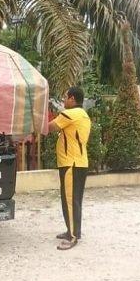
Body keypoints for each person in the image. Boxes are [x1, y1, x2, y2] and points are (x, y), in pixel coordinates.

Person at [48, 87, 91, 250]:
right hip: (79, 163)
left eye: (65, 97)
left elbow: (50, 127)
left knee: (70, 201)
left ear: (72, 99)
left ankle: (72, 237)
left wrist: (36, 121)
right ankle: (72, 231)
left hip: (71, 164)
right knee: (74, 200)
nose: (63, 100)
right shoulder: (83, 114)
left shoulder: (70, 114)